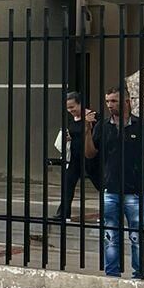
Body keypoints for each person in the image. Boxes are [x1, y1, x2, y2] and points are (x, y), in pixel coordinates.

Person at [84, 87, 144, 280]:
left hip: (136, 190)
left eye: (114, 101)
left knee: (137, 236)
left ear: (127, 101)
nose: (109, 105)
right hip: (111, 188)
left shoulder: (141, 126)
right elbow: (90, 153)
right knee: (111, 236)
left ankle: (139, 273)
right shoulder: (103, 126)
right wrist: (87, 131)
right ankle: (112, 273)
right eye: (107, 101)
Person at [52, 92, 103, 223]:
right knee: (68, 184)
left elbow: (99, 136)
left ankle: (105, 213)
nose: (71, 111)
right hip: (74, 157)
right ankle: (63, 214)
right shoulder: (71, 119)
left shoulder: (93, 117)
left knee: (101, 185)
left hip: (91, 156)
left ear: (80, 103)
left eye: (73, 107)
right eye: (68, 108)